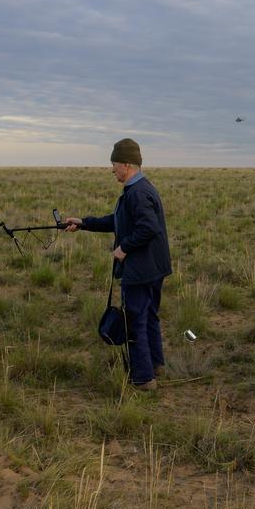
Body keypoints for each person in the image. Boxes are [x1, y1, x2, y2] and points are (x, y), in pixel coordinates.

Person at [62, 138, 172, 390]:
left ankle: (143, 379)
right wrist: (84, 222)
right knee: (149, 316)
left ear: (125, 164)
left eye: (113, 164)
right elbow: (119, 220)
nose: (111, 169)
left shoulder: (139, 192)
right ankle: (155, 364)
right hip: (153, 267)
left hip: (142, 269)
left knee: (134, 320)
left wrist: (124, 247)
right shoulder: (139, 189)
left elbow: (148, 228)